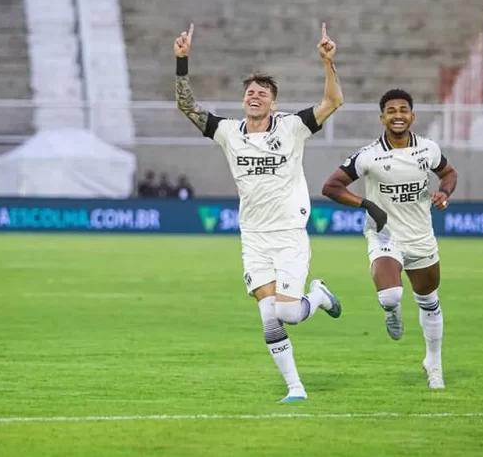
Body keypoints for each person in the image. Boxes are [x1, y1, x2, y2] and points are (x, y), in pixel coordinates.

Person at [173, 22, 344, 402]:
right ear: (243, 100)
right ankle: (295, 388)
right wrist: (182, 61)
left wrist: (328, 64)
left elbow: (332, 102)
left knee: (289, 314)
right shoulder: (228, 132)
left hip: (288, 234)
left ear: (273, 103)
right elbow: (187, 106)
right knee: (268, 315)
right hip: (253, 236)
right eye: (250, 92)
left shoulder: (293, 127)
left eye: (262, 93)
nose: (255, 96)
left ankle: (317, 296)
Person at [321, 88, 458, 389]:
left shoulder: (428, 149)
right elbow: (331, 186)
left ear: (412, 116)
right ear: (382, 117)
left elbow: (449, 174)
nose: (398, 115)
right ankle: (391, 311)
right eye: (391, 111)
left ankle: (433, 364)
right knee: (390, 295)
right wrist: (366, 204)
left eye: (403, 110)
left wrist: (444, 193)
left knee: (429, 301)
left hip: (421, 237)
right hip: (385, 235)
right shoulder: (368, 155)